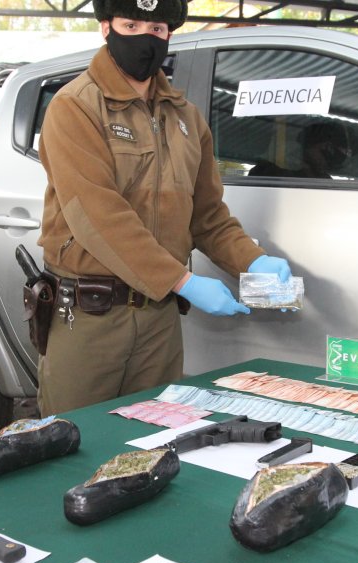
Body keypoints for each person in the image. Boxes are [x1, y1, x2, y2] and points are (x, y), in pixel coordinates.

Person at [35, 0, 291, 416]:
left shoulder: (186, 118)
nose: (144, 38)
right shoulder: (75, 106)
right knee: (74, 444)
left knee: (151, 444)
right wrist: (183, 281)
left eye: (156, 28)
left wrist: (253, 261)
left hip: (159, 319)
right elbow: (97, 215)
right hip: (89, 317)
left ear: (170, 33)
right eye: (130, 24)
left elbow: (207, 216)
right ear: (106, 27)